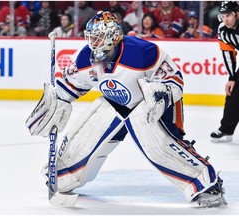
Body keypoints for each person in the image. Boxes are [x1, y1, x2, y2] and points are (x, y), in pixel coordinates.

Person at [26, 11, 227, 208]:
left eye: (97, 37)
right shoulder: (86, 58)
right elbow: (68, 87)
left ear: (113, 36)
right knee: (89, 130)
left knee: (157, 144)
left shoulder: (141, 52)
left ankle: (207, 185)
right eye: (90, 38)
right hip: (118, 103)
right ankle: (63, 175)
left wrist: (161, 94)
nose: (92, 43)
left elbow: (174, 79)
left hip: (152, 106)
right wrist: (55, 104)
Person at [210, 1, 239, 142]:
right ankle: (226, 129)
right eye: (222, 16)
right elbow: (228, 54)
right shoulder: (222, 30)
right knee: (233, 93)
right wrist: (232, 77)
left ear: (236, 14)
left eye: (228, 15)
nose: (225, 19)